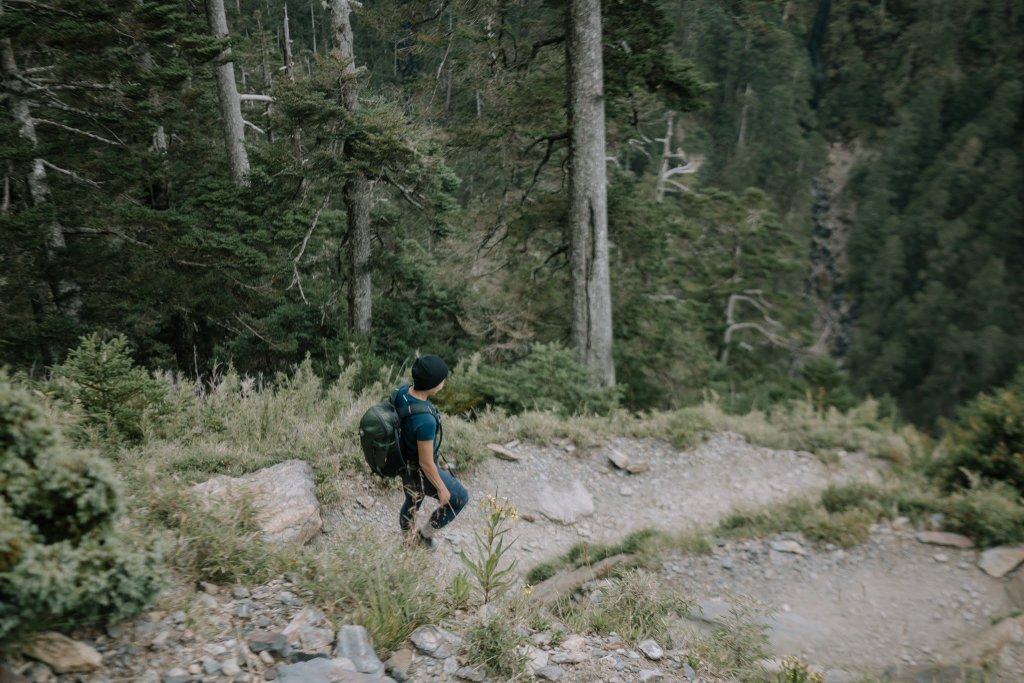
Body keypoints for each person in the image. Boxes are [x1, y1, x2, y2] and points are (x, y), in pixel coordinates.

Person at [395, 354, 470, 548]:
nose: (443, 382)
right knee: (459, 498)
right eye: (442, 380)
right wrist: (442, 489)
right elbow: (426, 463)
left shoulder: (402, 392)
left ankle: (406, 537)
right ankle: (424, 536)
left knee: (413, 501)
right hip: (420, 471)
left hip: (403, 463)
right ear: (433, 385)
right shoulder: (425, 420)